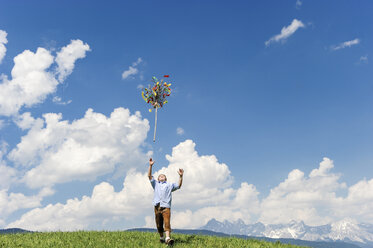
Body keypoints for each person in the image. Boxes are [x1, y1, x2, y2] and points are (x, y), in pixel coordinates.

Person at [148, 158, 184, 245]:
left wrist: (181, 176)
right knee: (159, 224)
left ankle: (168, 238)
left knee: (167, 223)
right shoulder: (155, 184)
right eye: (160, 176)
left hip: (166, 207)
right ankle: (161, 237)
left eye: (163, 176)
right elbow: (149, 176)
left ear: (165, 178)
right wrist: (150, 166)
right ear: (158, 178)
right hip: (157, 206)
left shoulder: (169, 185)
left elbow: (178, 186)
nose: (161, 176)